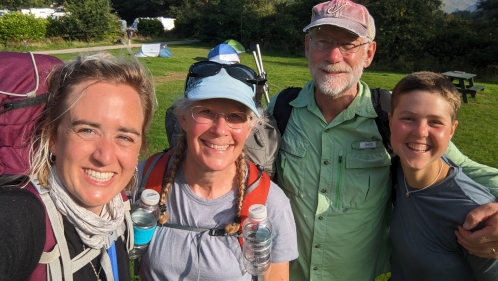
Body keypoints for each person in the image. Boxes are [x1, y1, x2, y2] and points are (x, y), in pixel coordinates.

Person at [266, 0, 498, 280]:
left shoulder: (390, 117)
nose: (333, 55)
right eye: (322, 41)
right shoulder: (281, 108)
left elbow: (473, 171)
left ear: (368, 54)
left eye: (349, 44)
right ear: (307, 47)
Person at [0, 53, 155, 281]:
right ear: (53, 137)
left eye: (124, 137)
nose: (105, 156)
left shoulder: (116, 208)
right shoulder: (22, 214)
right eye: (87, 130)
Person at [139, 60, 298, 281]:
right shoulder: (143, 180)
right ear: (183, 118)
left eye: (235, 116)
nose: (220, 130)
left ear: (250, 126)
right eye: (206, 112)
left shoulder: (271, 204)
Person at [389, 71, 498, 281]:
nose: (421, 132)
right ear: (390, 120)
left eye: (435, 122)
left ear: (452, 131)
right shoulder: (397, 169)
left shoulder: (476, 218)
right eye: (408, 118)